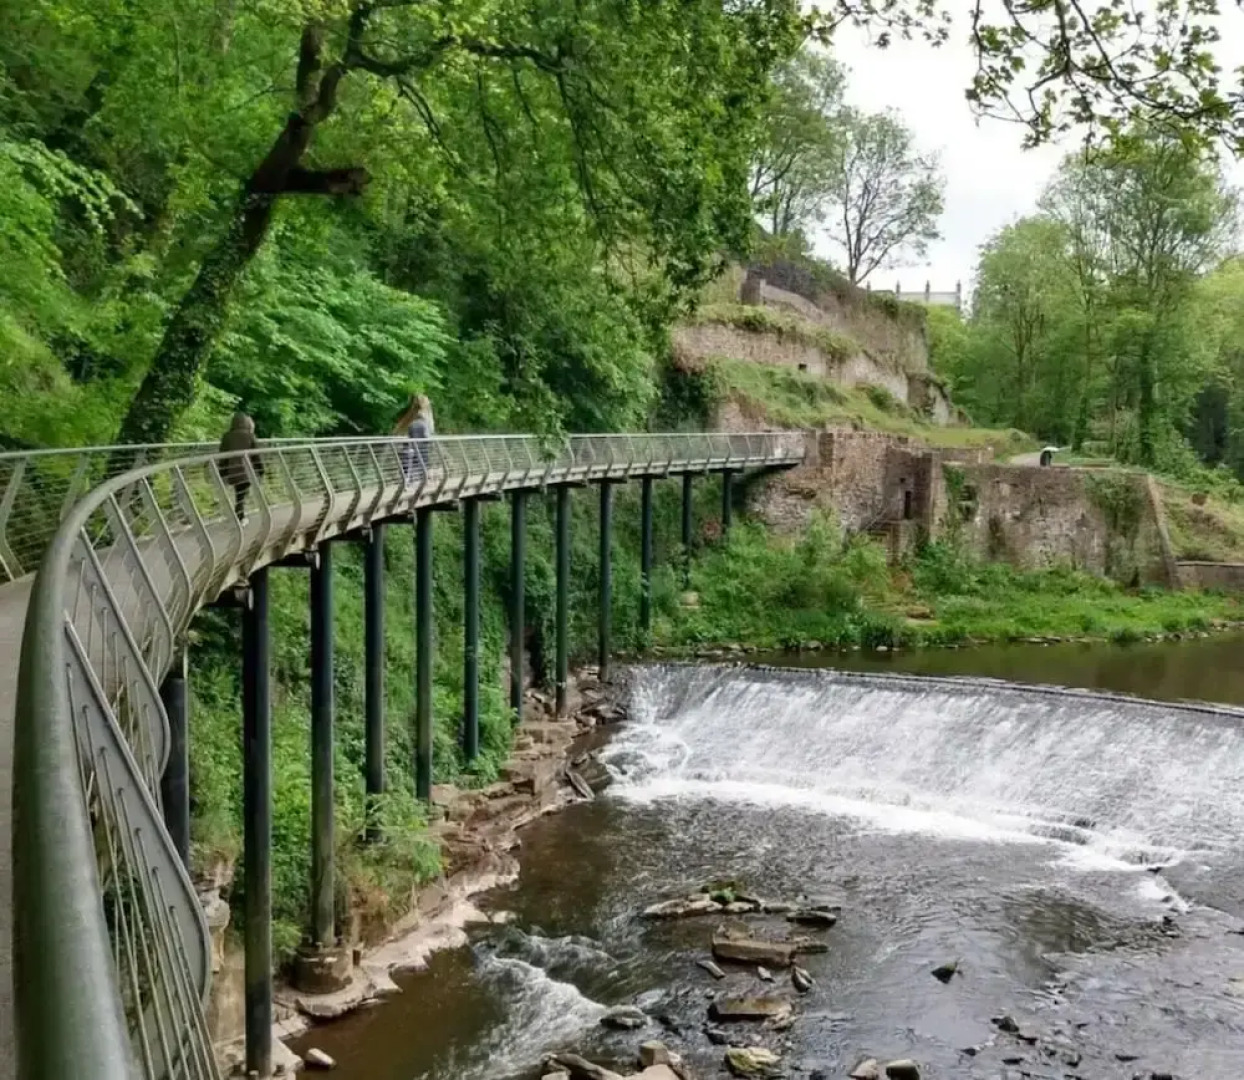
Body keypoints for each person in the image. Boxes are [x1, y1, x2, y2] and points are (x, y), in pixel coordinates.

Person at [218, 412, 262, 520]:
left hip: (232, 470)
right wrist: (260, 469)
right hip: (246, 470)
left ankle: (239, 514)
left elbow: (223, 455)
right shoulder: (250, 435)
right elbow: (255, 455)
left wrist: (222, 471)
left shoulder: (227, 436)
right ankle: (239, 515)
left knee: (239, 492)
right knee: (241, 493)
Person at [394, 394, 435, 485]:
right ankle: (420, 482)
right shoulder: (424, 420)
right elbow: (428, 436)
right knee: (420, 464)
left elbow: (400, 432)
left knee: (411, 467)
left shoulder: (410, 418)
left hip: (409, 449)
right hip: (419, 449)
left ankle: (410, 482)